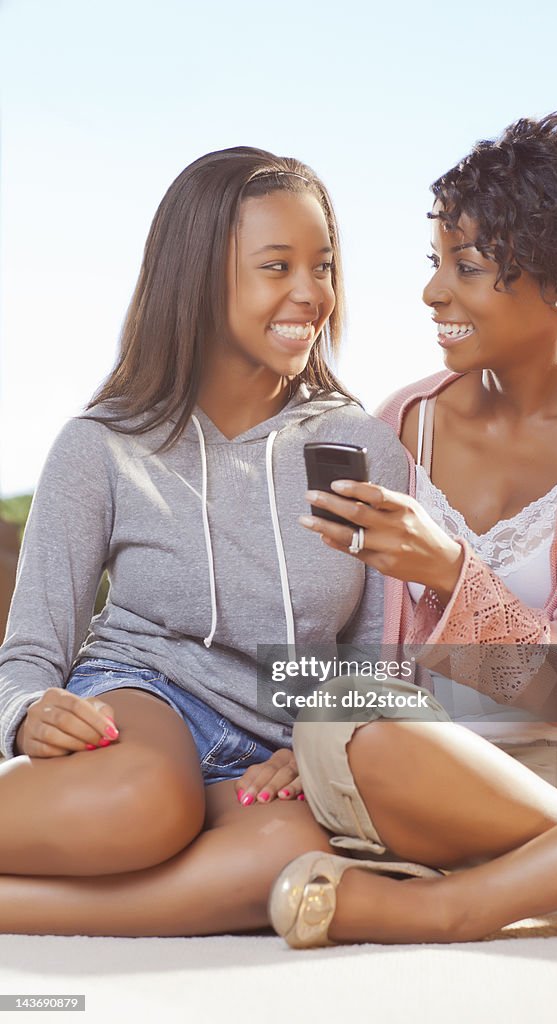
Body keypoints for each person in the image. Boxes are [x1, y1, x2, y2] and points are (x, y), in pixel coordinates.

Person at [269, 112, 557, 947]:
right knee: (343, 714)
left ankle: (457, 903)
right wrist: (294, 737)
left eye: (469, 267)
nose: (432, 292)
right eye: (436, 263)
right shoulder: (400, 425)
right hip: (441, 762)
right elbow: (353, 653)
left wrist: (452, 570)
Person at [0, 147, 409, 935]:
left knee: (288, 854)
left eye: (321, 265)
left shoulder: (363, 448)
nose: (310, 293)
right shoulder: (102, 443)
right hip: (145, 698)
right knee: (144, 802)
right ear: (197, 275)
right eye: (275, 266)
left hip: (275, 744)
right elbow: (28, 651)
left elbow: (375, 663)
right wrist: (24, 714)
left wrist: (327, 745)